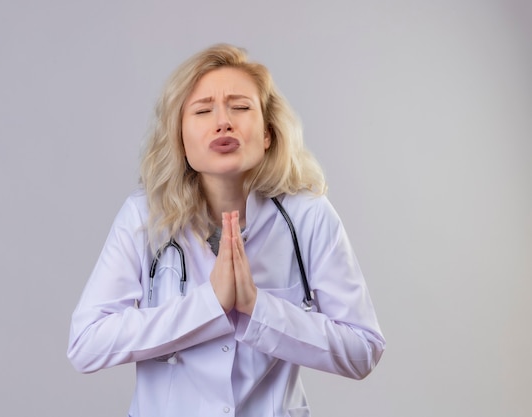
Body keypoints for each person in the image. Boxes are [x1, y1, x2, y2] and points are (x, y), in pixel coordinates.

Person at [67, 43, 385, 417]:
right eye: (203, 110)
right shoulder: (143, 215)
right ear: (180, 139)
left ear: (267, 133)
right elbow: (86, 344)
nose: (223, 122)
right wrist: (209, 305)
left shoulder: (308, 216)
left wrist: (256, 307)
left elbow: (363, 349)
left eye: (240, 107)